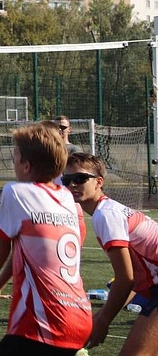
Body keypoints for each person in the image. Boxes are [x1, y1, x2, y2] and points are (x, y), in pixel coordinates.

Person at [0, 123, 91, 355]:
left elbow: (1, 246)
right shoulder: (66, 198)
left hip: (43, 320)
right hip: (79, 316)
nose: (12, 160)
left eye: (15, 155)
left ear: (26, 166)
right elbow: (28, 251)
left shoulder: (17, 192)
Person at [64, 151, 158, 353]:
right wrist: (101, 316)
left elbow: (126, 278)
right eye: (67, 180)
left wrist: (105, 318)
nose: (72, 185)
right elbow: (131, 278)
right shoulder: (108, 211)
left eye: (80, 178)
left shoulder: (105, 215)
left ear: (99, 182)